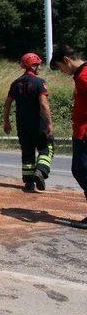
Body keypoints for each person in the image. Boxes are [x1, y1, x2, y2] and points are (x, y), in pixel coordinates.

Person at [3, 52, 54, 192]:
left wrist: (6, 122)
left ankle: (29, 183)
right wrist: (49, 124)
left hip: (22, 125)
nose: (39, 67)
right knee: (47, 147)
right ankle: (41, 171)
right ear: (31, 66)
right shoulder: (39, 82)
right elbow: (44, 104)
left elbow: (7, 104)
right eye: (37, 65)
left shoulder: (15, 83)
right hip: (39, 124)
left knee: (27, 152)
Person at [50, 45, 87, 223]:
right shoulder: (82, 74)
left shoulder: (83, 77)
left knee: (80, 170)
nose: (62, 71)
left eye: (59, 67)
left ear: (66, 60)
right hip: (81, 131)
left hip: (84, 134)